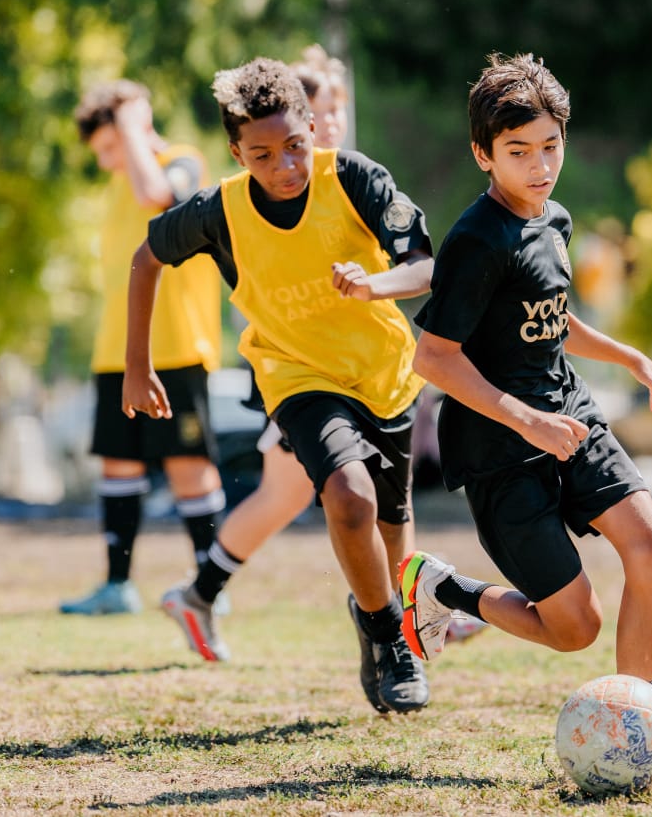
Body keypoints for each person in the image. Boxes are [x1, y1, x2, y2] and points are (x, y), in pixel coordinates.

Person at [400, 53, 652, 783]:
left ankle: (642, 739)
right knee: (575, 629)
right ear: (483, 154)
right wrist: (525, 421)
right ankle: (444, 589)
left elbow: (550, 320)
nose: (539, 168)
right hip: (500, 449)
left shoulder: (554, 218)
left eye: (550, 147)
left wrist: (629, 357)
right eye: (517, 153)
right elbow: (433, 358)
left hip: (572, 417)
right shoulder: (476, 241)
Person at [122, 57, 434, 715]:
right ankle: (389, 639)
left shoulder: (355, 178)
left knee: (391, 540)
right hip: (296, 378)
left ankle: (374, 615)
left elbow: (423, 266)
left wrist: (374, 283)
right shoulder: (221, 210)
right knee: (345, 496)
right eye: (262, 155)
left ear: (315, 126)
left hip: (385, 375)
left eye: (296, 146)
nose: (286, 165)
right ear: (236, 152)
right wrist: (136, 362)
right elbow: (146, 258)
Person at [59, 80, 227, 617]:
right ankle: (116, 587)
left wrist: (132, 128)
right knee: (120, 465)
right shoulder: (115, 186)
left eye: (111, 146)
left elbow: (158, 196)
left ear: (136, 126)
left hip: (176, 347)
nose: (110, 161)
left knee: (186, 461)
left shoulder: (184, 161)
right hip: (116, 353)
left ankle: (210, 588)